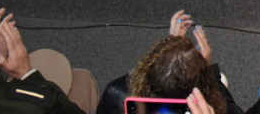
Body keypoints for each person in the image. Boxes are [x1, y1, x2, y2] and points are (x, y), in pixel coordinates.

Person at [97, 10, 240, 114]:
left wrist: (169, 55)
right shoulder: (225, 111)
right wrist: (210, 73)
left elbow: (129, 82)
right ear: (201, 87)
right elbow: (232, 109)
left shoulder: (115, 94)